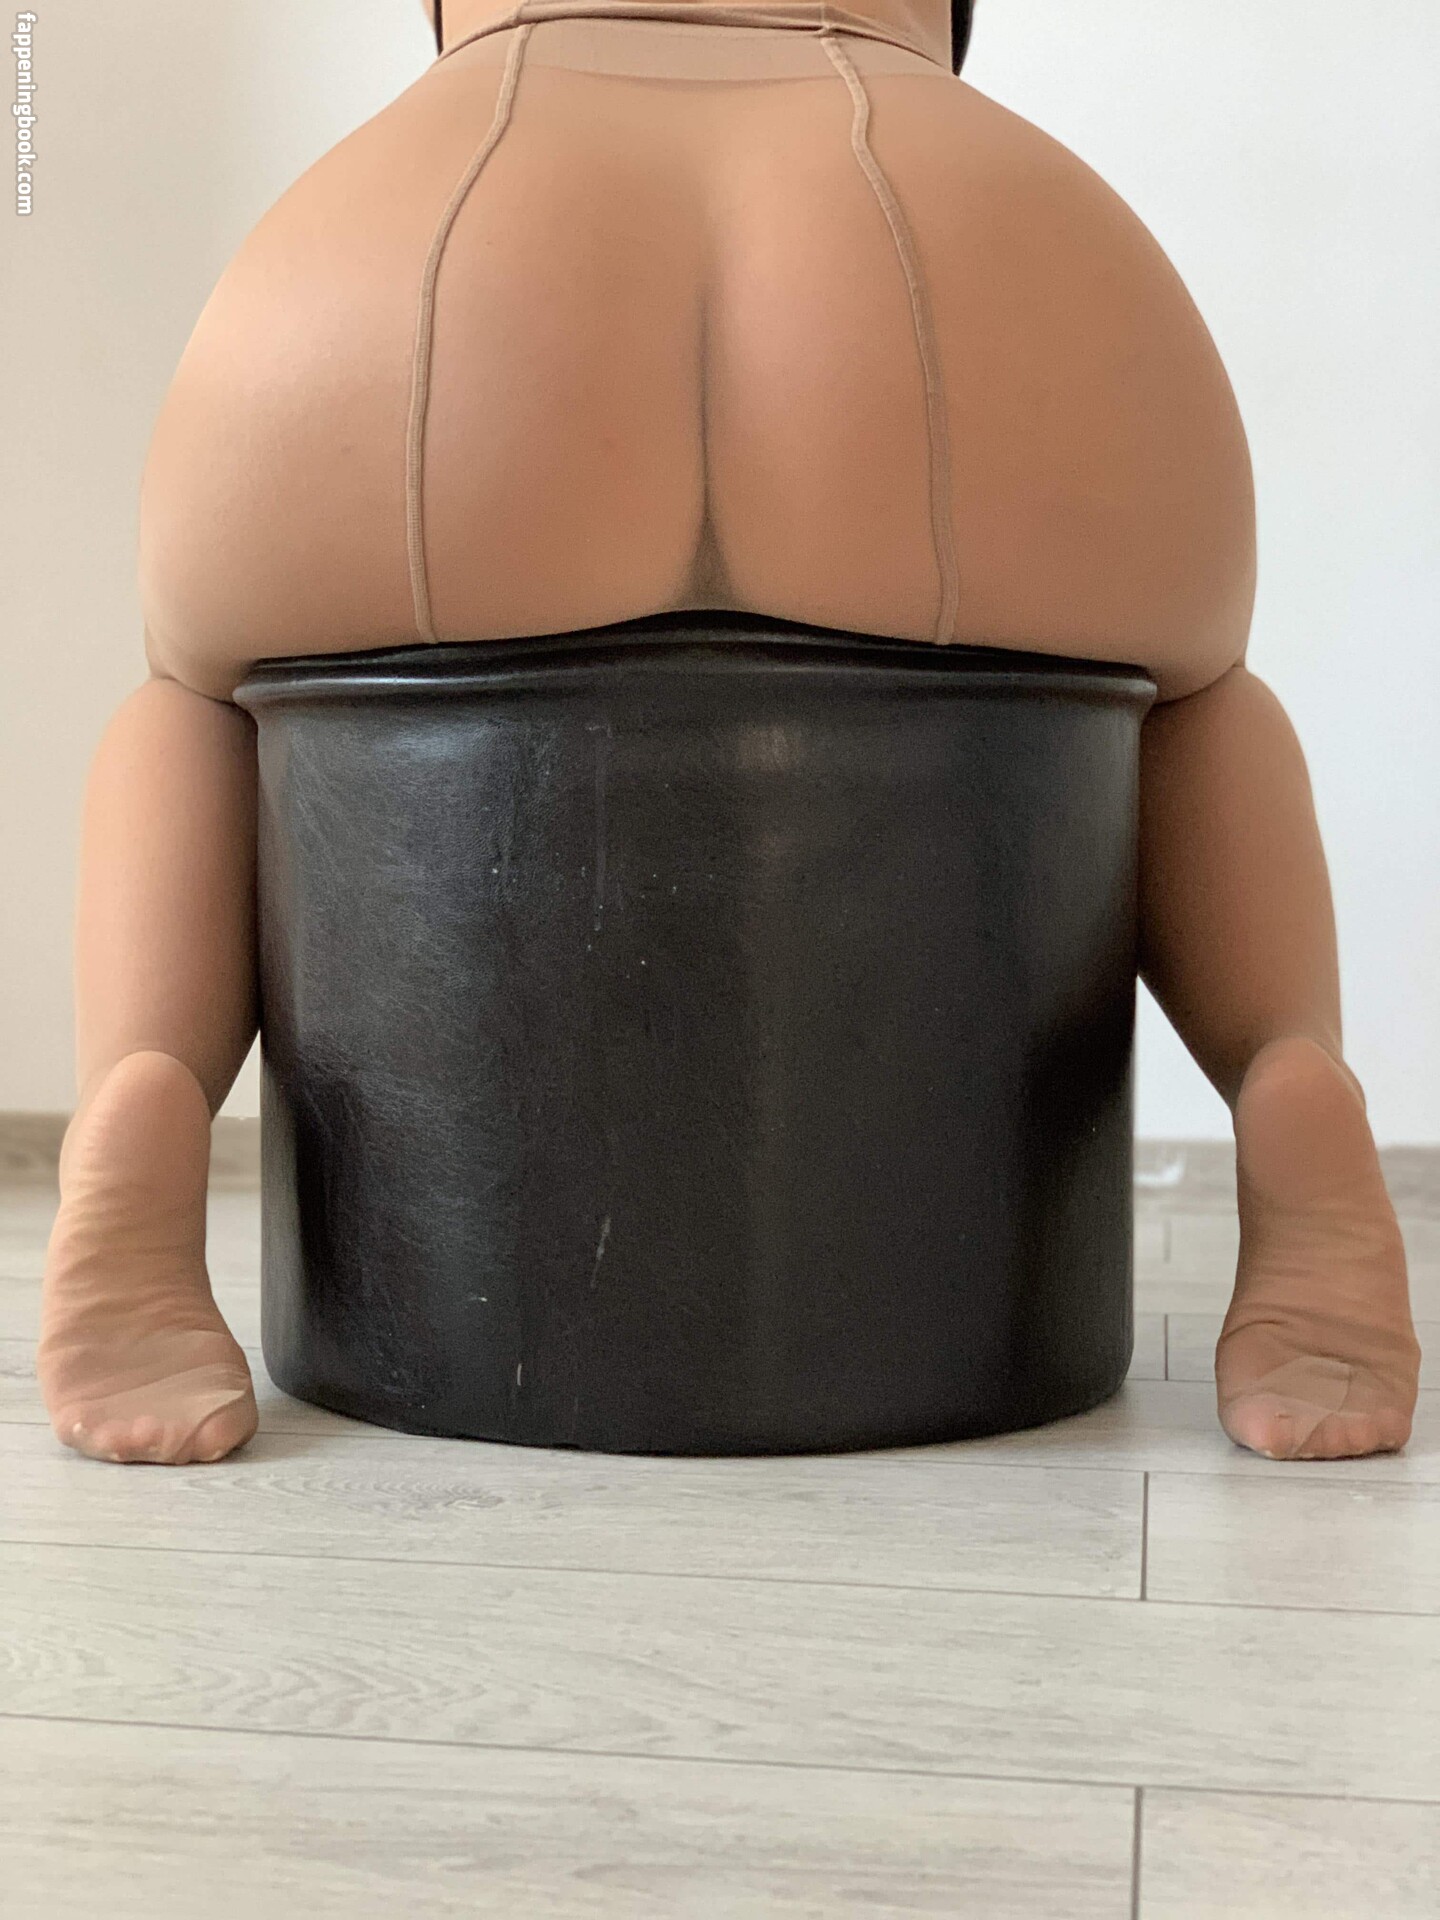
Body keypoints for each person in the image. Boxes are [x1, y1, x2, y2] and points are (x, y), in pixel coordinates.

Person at [38, 0, 1420, 1465]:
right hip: (962, 242)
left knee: (189, 696)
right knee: (1196, 697)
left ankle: (149, 1091)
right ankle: (1285, 1072)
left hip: (442, 256)